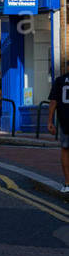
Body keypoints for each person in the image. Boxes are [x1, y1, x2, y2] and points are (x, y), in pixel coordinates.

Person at [47, 63, 69, 194]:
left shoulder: (60, 81)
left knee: (66, 150)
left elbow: (53, 102)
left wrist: (50, 121)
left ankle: (67, 184)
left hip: (65, 121)